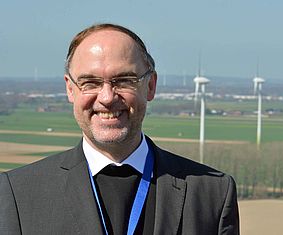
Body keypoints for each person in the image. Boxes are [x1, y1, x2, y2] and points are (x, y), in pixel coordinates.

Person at [0, 23, 239, 235]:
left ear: (151, 86)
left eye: (124, 80)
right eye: (90, 83)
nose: (107, 97)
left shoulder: (212, 193)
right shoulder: (19, 194)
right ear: (70, 90)